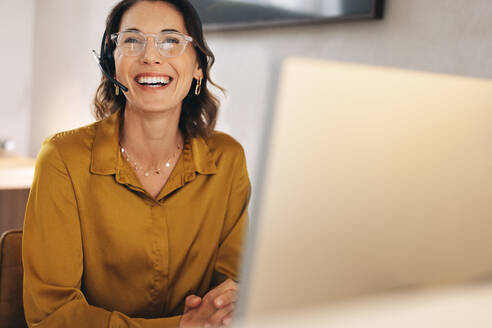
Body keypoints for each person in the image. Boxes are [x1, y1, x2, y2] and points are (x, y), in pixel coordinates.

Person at [22, 0, 251, 327]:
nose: (151, 56)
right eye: (132, 40)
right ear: (111, 62)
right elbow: (51, 315)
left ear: (198, 65)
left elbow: (232, 292)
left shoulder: (228, 160)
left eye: (171, 41)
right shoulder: (62, 159)